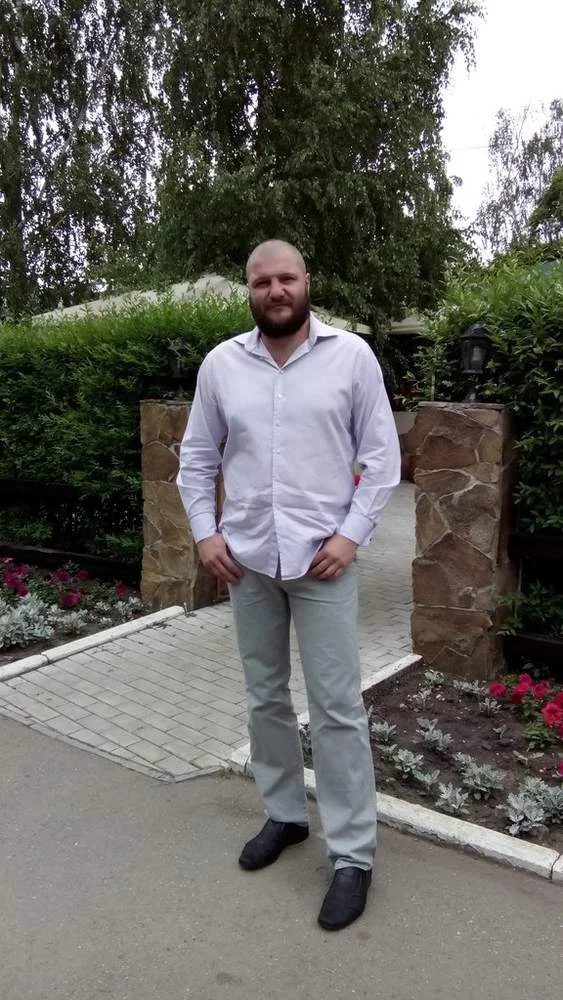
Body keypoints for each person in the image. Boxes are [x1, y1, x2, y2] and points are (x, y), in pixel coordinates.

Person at [177, 240, 401, 931]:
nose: (274, 290)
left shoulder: (351, 358)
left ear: (307, 282)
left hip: (322, 563)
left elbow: (382, 457)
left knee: (336, 708)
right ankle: (283, 815)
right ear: (247, 290)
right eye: (261, 281)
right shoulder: (222, 365)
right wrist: (205, 533)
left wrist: (350, 535)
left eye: (285, 278)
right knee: (264, 696)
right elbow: (196, 458)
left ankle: (352, 855)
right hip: (246, 563)